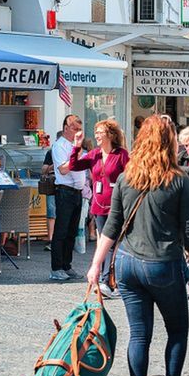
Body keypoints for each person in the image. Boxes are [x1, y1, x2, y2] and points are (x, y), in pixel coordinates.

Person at [87, 115, 189, 376]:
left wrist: (96, 264)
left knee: (139, 335)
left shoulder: (127, 178)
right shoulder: (179, 180)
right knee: (177, 329)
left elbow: (112, 224)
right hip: (162, 264)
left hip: (126, 264)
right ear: (170, 143)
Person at [68, 119, 130, 297]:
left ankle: (108, 281)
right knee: (103, 243)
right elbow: (74, 166)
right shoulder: (94, 154)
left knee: (113, 244)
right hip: (99, 205)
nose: (96, 135)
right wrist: (76, 147)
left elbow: (130, 177)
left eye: (100, 132)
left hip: (117, 206)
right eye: (95, 132)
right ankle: (109, 281)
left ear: (110, 135)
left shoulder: (121, 155)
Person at [48, 116, 86, 281]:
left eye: (79, 129)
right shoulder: (60, 146)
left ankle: (66, 265)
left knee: (72, 231)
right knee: (61, 231)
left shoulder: (74, 146)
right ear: (66, 128)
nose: (78, 133)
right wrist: (76, 153)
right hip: (65, 190)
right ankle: (56, 268)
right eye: (75, 129)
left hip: (77, 191)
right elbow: (63, 169)